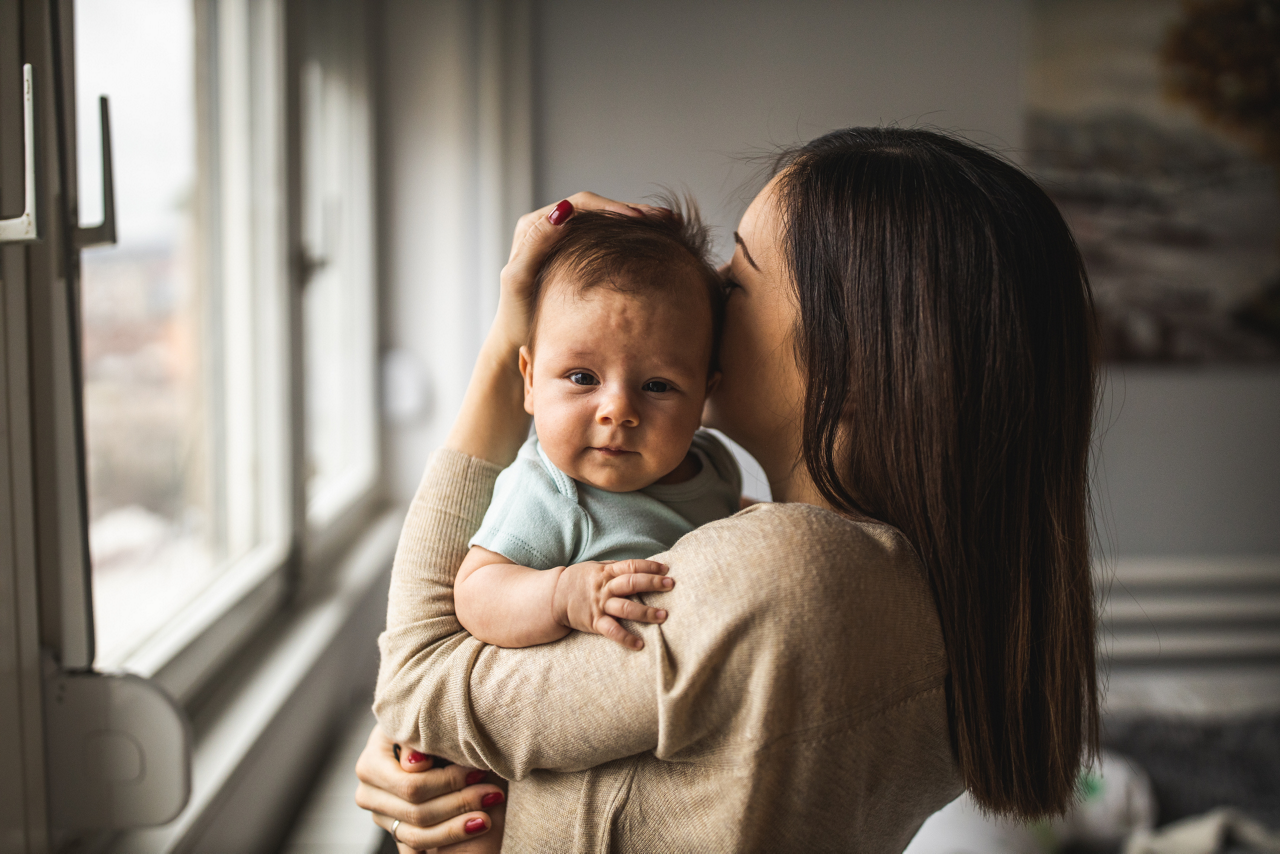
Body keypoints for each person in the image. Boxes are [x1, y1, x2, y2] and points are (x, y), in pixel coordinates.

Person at [355, 127, 1100, 853]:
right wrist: (448, 756)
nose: (705, 289)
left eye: (737, 279)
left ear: (850, 360)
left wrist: (508, 341)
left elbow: (416, 682)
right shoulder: (905, 586)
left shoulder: (786, 575)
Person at [456, 206, 742, 652]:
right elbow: (476, 592)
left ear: (704, 395)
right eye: (582, 377)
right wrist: (562, 595)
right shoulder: (548, 491)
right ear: (530, 381)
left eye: (657, 386)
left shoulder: (713, 463)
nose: (618, 410)